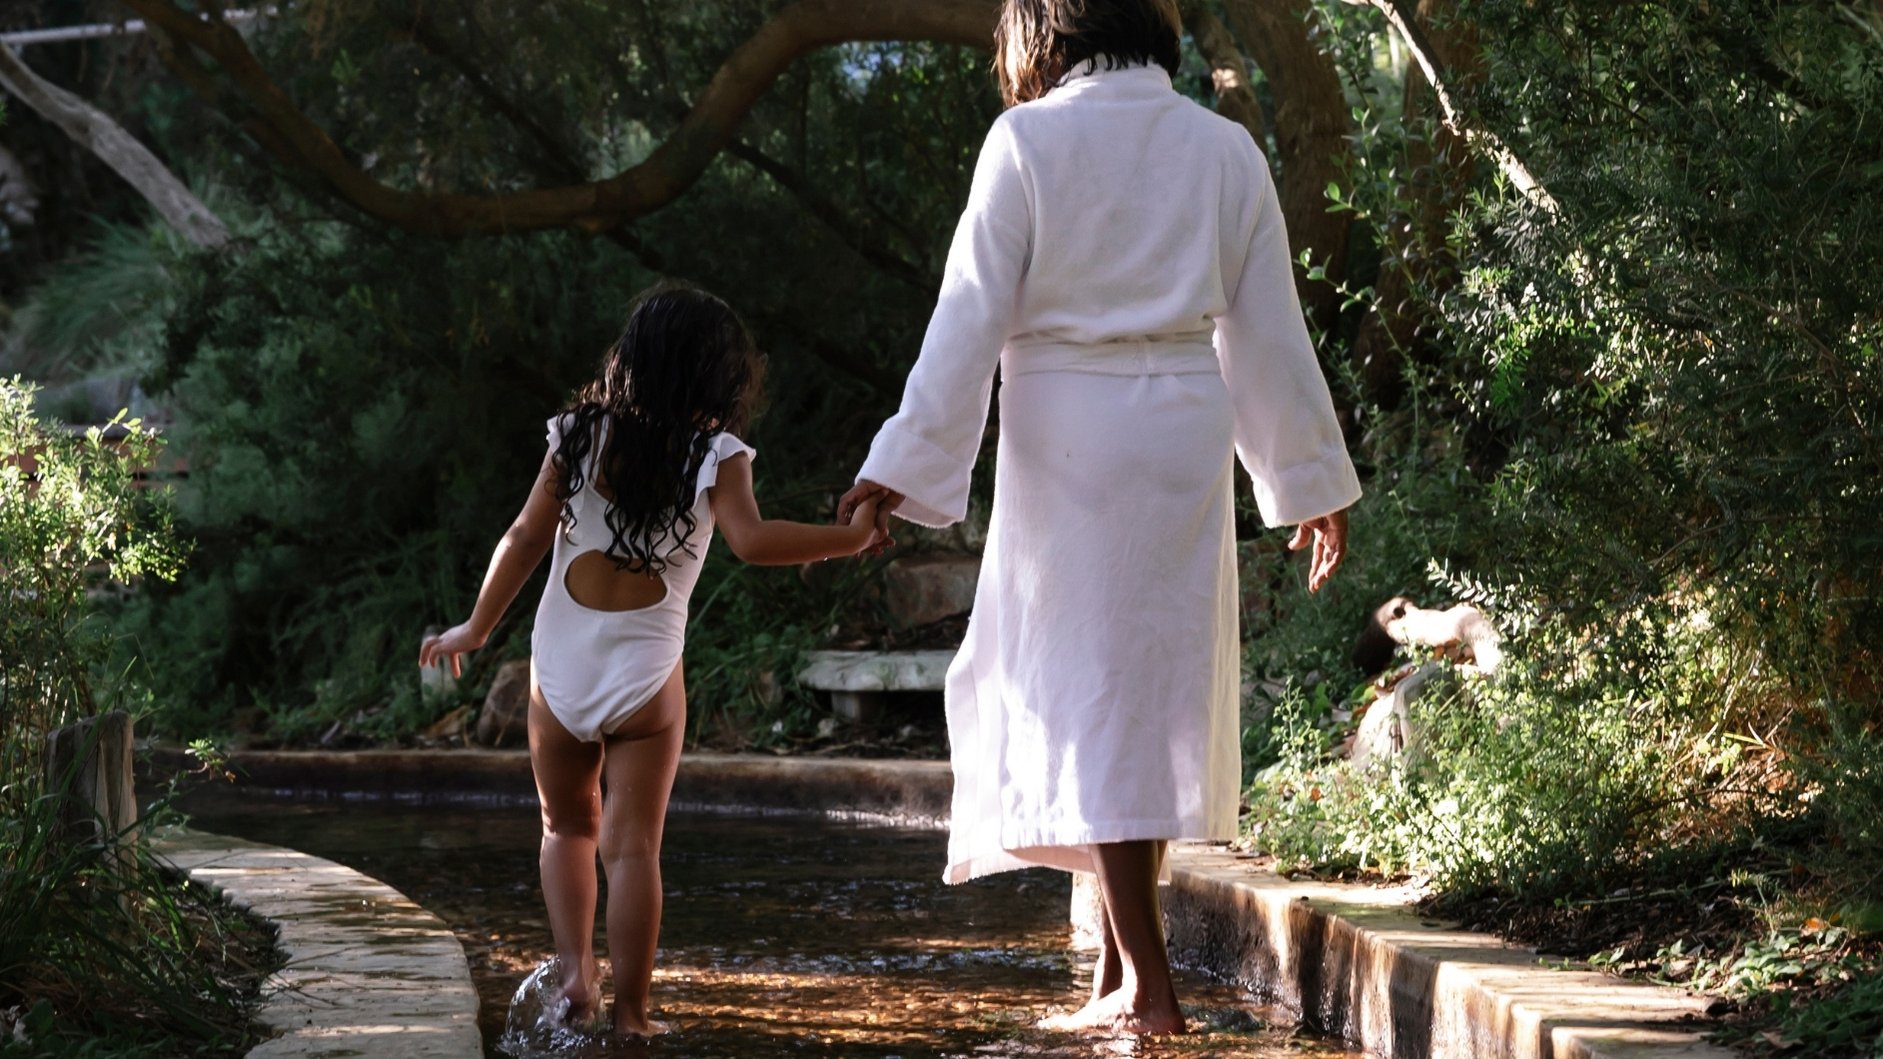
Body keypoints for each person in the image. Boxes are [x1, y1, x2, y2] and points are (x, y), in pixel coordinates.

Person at [837, 0, 1361, 1036]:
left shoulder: (1024, 140)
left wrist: (897, 462)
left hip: (1067, 436)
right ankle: (1117, 978)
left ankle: (1150, 996)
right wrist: (1308, 480)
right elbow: (1267, 328)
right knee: (1143, 699)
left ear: (1046, 33)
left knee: (1091, 702)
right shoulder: (1221, 149)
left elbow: (967, 313)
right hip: (1180, 431)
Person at [422, 283, 883, 1039]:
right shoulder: (715, 453)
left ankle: (576, 973)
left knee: (564, 826)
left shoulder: (575, 434)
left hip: (561, 665)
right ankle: (632, 1018)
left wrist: (474, 626)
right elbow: (754, 542)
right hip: (644, 679)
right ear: (718, 375)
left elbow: (524, 535)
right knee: (632, 847)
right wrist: (855, 537)